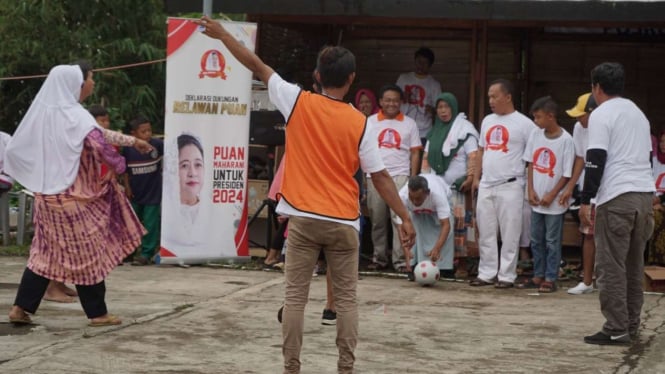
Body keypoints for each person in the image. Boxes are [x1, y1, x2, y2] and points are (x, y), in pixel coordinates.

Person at [196, 16, 416, 374]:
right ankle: (346, 367)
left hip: (303, 218)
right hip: (344, 221)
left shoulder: (297, 100)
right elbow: (380, 178)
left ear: (316, 75)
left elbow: (255, 63)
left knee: (295, 298)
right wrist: (404, 217)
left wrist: (222, 35)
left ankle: (292, 368)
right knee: (345, 300)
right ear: (351, 80)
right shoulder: (362, 122)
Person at [5, 62, 152, 326]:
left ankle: (20, 308)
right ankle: (98, 313)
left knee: (44, 254)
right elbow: (100, 144)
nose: (93, 83)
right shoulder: (76, 115)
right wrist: (119, 166)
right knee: (89, 253)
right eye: (90, 78)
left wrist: (133, 141)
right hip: (74, 199)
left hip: (46, 198)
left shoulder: (45, 115)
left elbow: (99, 134)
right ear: (77, 83)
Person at [581, 62, 654, 346]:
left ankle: (616, 327)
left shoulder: (601, 114)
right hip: (644, 195)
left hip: (617, 196)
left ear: (596, 87)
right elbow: (647, 159)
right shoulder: (638, 113)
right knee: (634, 265)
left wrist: (586, 199)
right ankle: (631, 325)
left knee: (610, 265)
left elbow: (595, 159)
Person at [470, 79, 537, 288]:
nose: (491, 100)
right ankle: (487, 272)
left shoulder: (525, 124)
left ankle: (507, 275)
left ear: (508, 97)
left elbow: (533, 156)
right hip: (487, 183)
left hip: (511, 183)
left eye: (494, 96)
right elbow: (482, 149)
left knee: (510, 231)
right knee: (486, 230)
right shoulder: (488, 120)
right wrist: (475, 177)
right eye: (489, 96)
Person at [518, 96, 574, 293]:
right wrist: (530, 189)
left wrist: (552, 194)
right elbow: (531, 163)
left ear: (551, 116)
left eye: (539, 117)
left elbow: (566, 174)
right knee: (536, 238)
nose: (536, 121)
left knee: (552, 240)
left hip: (554, 202)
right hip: (536, 199)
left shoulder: (566, 140)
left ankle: (551, 276)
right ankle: (538, 274)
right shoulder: (536, 135)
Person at [421, 92, 479, 274]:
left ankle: (462, 264)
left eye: (446, 107)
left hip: (459, 189)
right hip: (437, 189)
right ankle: (442, 262)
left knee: (461, 226)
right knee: (439, 225)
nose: (443, 111)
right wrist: (425, 181)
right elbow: (426, 159)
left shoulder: (465, 130)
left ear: (453, 108)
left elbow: (474, 157)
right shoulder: (435, 132)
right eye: (440, 107)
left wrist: (470, 178)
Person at [365, 84, 421, 273]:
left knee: (400, 220)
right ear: (380, 102)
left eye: (395, 100)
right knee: (377, 220)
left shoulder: (410, 123)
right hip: (375, 176)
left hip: (400, 177)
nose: (391, 103)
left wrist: (413, 178)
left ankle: (400, 261)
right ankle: (379, 258)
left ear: (401, 103)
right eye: (387, 100)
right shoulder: (370, 122)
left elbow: (415, 153)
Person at [559, 92, 598, 295]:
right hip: (588, 189)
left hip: (609, 188)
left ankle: (607, 281)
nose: (577, 119)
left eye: (581, 115)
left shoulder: (605, 126)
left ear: (593, 113)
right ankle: (587, 281)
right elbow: (580, 159)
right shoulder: (578, 127)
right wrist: (570, 186)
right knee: (588, 234)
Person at [122, 115, 164, 266]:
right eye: (143, 132)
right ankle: (129, 252)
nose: (147, 134)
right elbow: (125, 171)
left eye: (149, 130)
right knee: (131, 222)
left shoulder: (157, 145)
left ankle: (146, 253)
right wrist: (127, 187)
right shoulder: (127, 149)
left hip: (152, 192)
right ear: (134, 134)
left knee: (150, 223)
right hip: (135, 192)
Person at [396, 174, 453, 280]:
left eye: (418, 198)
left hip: (438, 206)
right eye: (411, 198)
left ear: (427, 193)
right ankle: (413, 266)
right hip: (415, 213)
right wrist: (406, 252)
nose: (415, 202)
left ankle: (443, 269)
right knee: (413, 233)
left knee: (445, 235)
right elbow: (400, 226)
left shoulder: (438, 195)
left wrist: (437, 249)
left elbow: (446, 225)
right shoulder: (402, 197)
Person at [396, 47, 442, 144]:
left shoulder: (434, 84)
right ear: (414, 61)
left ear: (430, 65)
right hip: (403, 127)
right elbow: (393, 100)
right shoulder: (403, 78)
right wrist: (401, 97)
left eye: (425, 63)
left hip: (424, 132)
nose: (421, 65)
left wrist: (433, 110)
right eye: (419, 61)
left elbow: (440, 109)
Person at [649, 131, 665, 266]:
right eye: (662, 142)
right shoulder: (654, 161)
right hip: (652, 200)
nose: (663, 145)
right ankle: (653, 260)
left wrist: (661, 200)